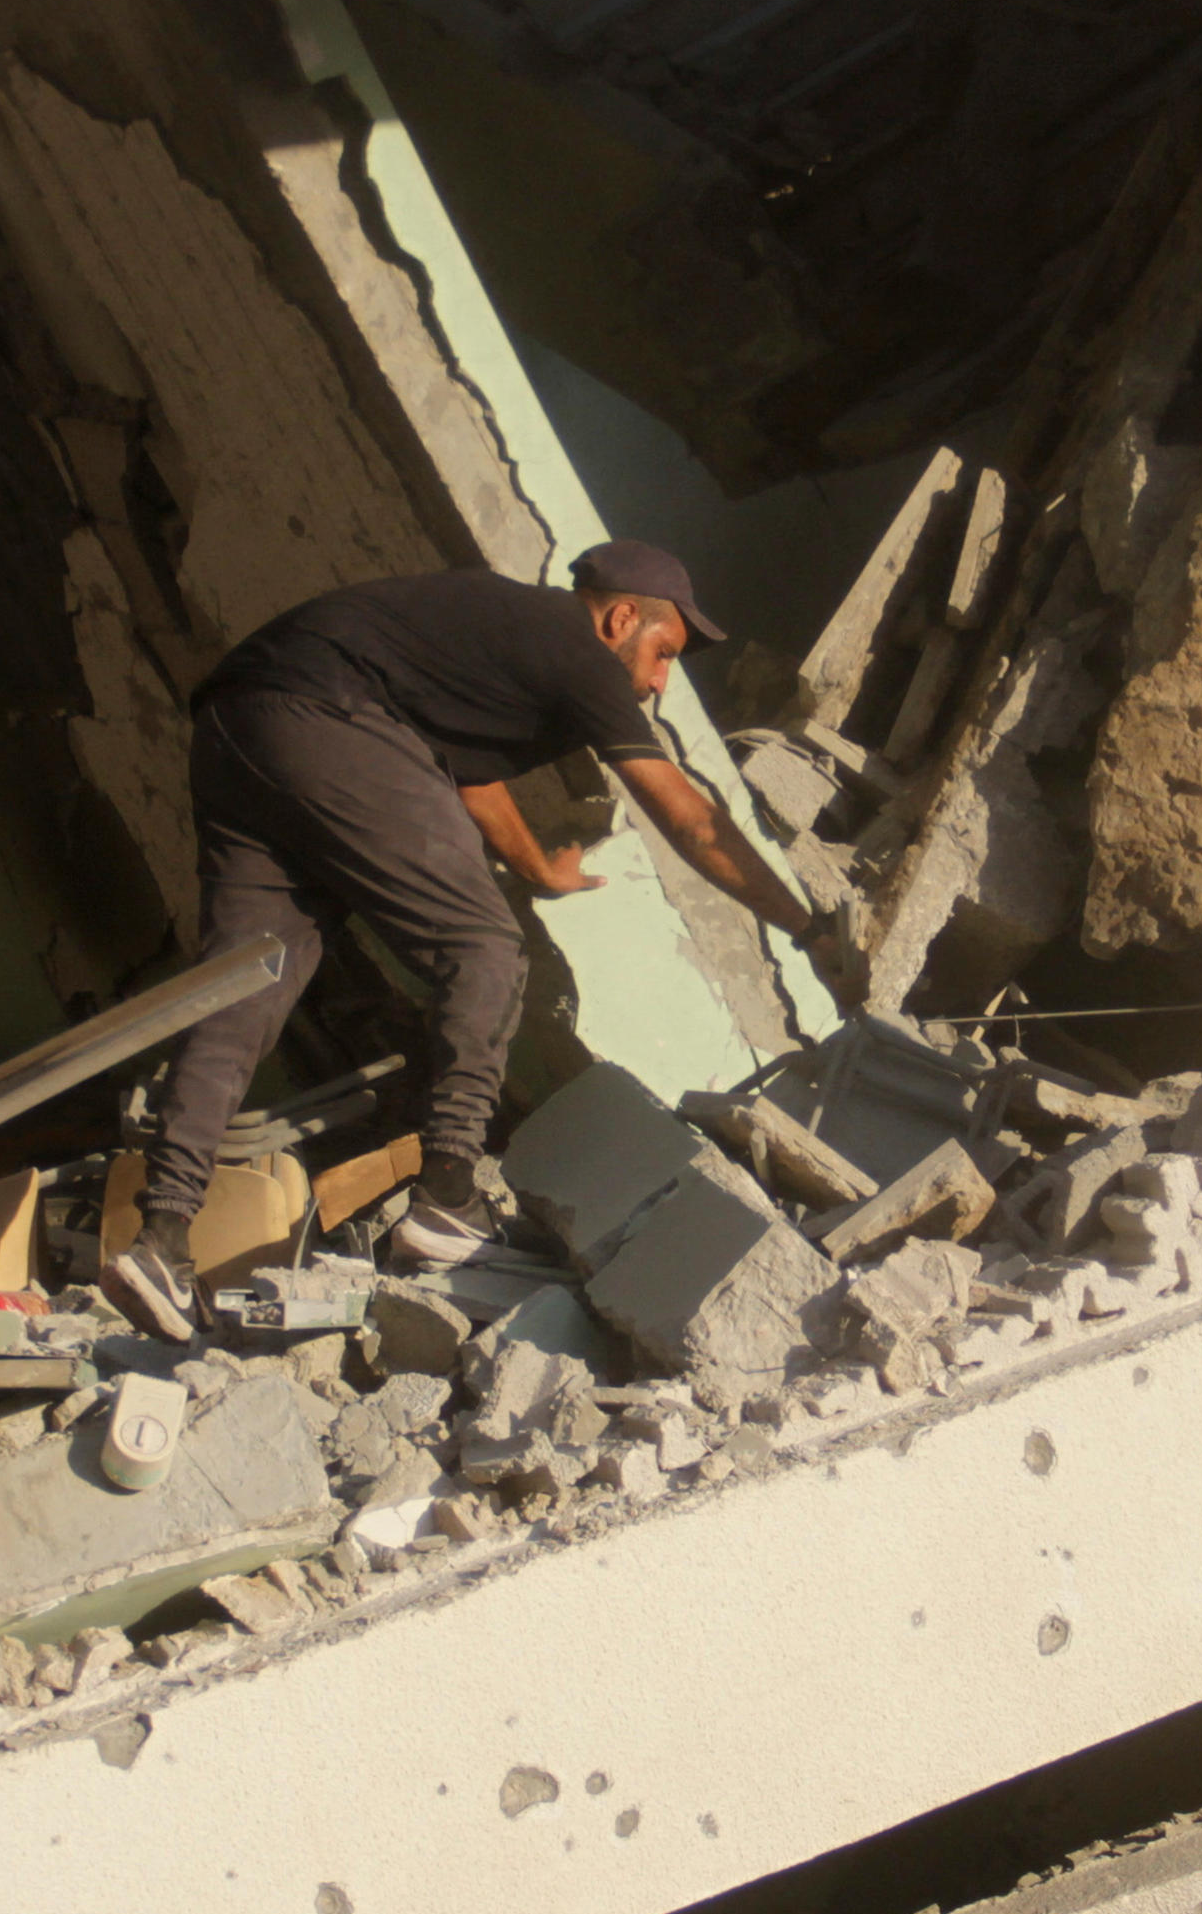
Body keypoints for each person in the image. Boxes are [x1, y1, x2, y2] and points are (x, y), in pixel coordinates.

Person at [106, 542, 856, 1341]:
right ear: (622, 617)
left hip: (236, 727)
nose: (661, 680)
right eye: (664, 653)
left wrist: (537, 865)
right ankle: (448, 1195)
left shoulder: (490, 637)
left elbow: (465, 776)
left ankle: (160, 1236)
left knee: (245, 990)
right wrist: (808, 929)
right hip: (329, 717)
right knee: (485, 948)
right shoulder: (579, 651)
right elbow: (688, 814)